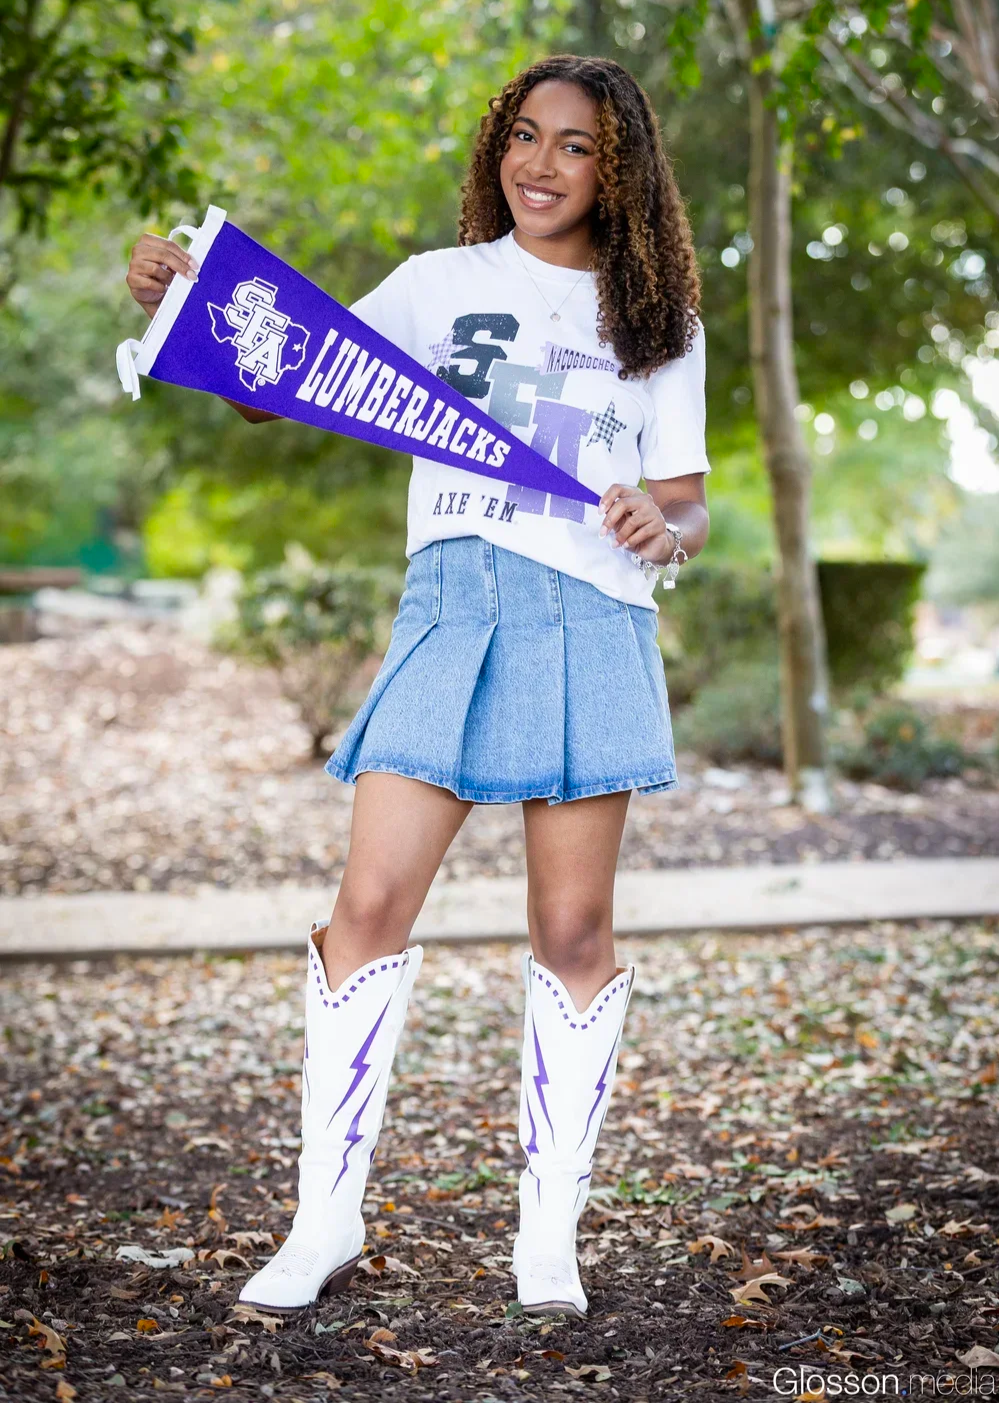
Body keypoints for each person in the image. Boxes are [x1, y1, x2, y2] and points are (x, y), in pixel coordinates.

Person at [125, 53, 710, 1320]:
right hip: (450, 607)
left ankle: (547, 1237)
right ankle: (324, 1217)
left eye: (575, 146)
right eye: (524, 135)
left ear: (619, 173)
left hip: (592, 617)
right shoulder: (440, 284)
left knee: (573, 931)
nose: (540, 164)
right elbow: (279, 390)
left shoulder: (660, 321)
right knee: (368, 902)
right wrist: (188, 306)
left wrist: (662, 530)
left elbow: (687, 504)